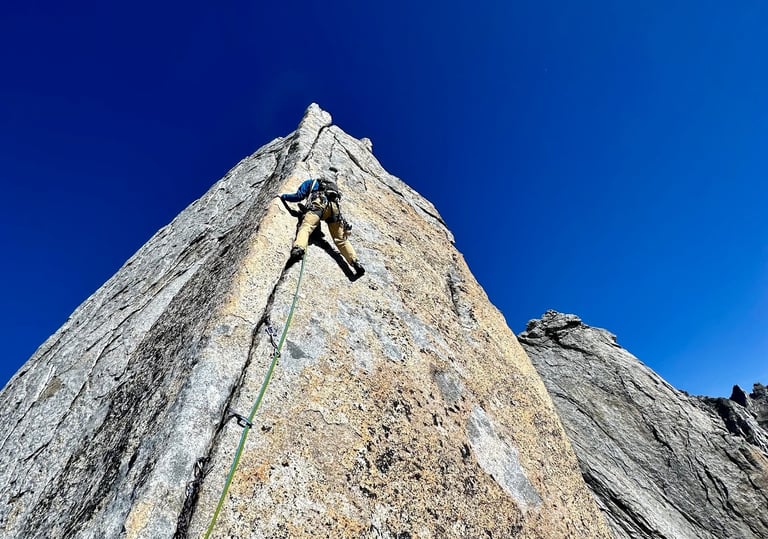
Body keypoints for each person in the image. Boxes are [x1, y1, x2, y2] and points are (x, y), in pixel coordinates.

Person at [279, 176, 365, 276]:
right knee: (341, 240)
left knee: (306, 227)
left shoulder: (309, 182)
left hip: (319, 204)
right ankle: (355, 262)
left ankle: (299, 248)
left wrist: (283, 196)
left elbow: (299, 196)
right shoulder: (330, 189)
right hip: (334, 209)